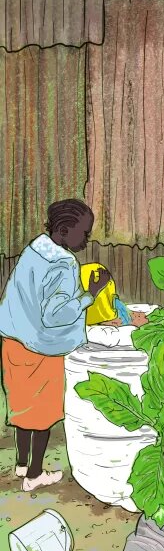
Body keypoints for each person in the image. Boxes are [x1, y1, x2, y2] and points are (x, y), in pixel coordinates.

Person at [0, 199, 112, 491]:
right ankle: (34, 474)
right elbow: (56, 314)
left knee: (23, 409)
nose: (87, 239)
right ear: (64, 230)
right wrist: (91, 295)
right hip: (41, 350)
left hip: (13, 342)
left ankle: (22, 462)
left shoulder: (34, 249)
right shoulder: (63, 263)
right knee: (44, 414)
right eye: (84, 233)